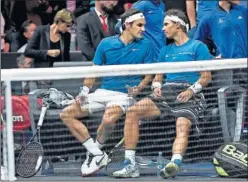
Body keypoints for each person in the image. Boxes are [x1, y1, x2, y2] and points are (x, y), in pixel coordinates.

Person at [113, 9, 212, 178]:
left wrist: (190, 91)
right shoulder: (165, 51)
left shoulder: (198, 46)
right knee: (133, 111)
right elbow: (158, 77)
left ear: (178, 25)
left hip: (190, 93)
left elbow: (206, 77)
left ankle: (174, 163)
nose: (163, 28)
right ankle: (130, 165)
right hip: (166, 93)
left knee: (182, 124)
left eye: (166, 24)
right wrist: (156, 87)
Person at [60, 8, 155, 176]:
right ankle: (97, 154)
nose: (143, 29)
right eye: (139, 25)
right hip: (102, 92)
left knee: (109, 117)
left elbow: (149, 74)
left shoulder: (146, 44)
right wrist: (84, 90)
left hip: (125, 95)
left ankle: (95, 153)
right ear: (127, 25)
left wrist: (138, 88)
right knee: (66, 114)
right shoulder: (106, 44)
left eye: (144, 25)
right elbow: (94, 72)